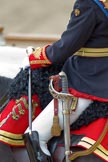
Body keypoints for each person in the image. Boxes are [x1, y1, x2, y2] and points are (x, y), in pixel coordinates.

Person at [0, 0, 108, 161]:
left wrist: (35, 57)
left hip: (88, 78)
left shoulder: (88, 4)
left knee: (35, 135)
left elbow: (66, 46)